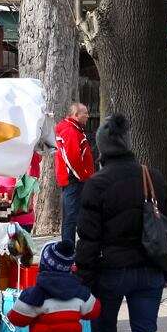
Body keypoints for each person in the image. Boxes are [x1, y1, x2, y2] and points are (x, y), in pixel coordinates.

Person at [75, 113, 167, 332]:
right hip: (148, 269)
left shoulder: (97, 184)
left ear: (102, 149)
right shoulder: (153, 177)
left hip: (110, 271)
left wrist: (85, 278)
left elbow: (88, 237)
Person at [54, 103, 95, 248]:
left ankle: (72, 248)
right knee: (71, 217)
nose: (88, 116)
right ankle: (68, 250)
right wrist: (83, 176)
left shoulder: (74, 129)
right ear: (76, 115)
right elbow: (72, 158)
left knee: (74, 216)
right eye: (85, 113)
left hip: (75, 180)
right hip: (74, 181)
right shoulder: (70, 130)